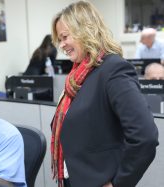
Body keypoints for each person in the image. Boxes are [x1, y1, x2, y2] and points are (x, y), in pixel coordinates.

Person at [50, 1, 159, 187]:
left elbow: (145, 137)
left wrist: (119, 183)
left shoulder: (113, 69)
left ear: (85, 30)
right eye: (59, 39)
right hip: (73, 179)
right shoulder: (77, 76)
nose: (62, 45)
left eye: (65, 37)